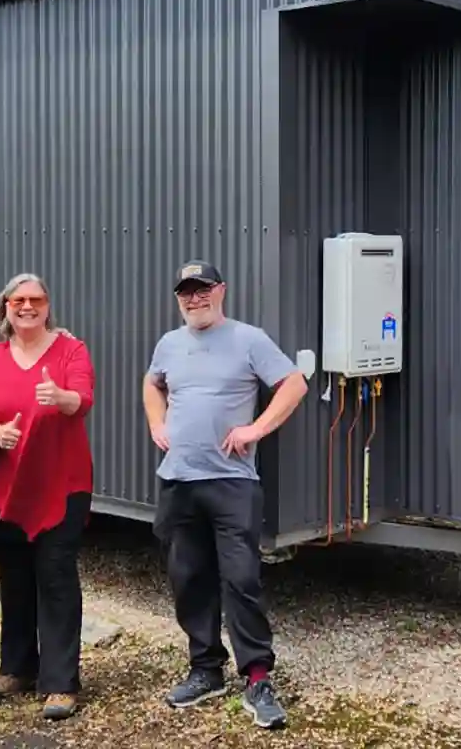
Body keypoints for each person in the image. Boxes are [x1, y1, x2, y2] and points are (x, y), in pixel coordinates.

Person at [143, 260, 308, 732]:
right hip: (178, 480)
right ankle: (205, 669)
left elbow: (294, 383)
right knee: (188, 578)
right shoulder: (169, 344)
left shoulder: (248, 338)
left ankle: (257, 678)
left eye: (202, 291)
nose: (194, 300)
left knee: (241, 580)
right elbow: (152, 383)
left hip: (232, 483)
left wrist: (256, 428)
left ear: (221, 291)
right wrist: (157, 422)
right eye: (186, 293)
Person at [0, 272, 95, 722]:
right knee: (14, 579)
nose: (27, 307)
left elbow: (84, 398)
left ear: (47, 305)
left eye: (36, 299)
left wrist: (60, 397)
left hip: (62, 486)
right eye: (18, 300)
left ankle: (60, 682)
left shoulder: (71, 350)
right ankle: (18, 667)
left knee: (56, 579)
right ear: (5, 307)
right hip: (8, 490)